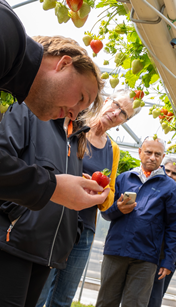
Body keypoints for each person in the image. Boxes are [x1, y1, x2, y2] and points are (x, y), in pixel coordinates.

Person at [36, 89, 141, 307]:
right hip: (55, 217)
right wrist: (77, 179)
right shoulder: (75, 125)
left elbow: (108, 198)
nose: (116, 113)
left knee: (64, 297)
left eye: (123, 114)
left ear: (124, 121)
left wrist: (98, 193)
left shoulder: (113, 149)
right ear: (108, 100)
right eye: (116, 105)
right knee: (41, 288)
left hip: (84, 227)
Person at [0, 2, 108, 211]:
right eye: (81, 98)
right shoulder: (6, 32)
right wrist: (54, 188)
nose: (73, 113)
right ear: (64, 64)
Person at [0, 102, 90, 307]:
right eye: (82, 95)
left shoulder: (77, 136)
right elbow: (4, 161)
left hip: (48, 251)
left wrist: (72, 230)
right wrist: (17, 215)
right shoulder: (29, 111)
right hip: (16, 241)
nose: (83, 105)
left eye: (89, 101)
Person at [95, 137, 176, 307]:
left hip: (146, 257)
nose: (152, 157)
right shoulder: (123, 178)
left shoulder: (169, 187)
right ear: (140, 152)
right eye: (148, 152)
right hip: (116, 251)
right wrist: (117, 209)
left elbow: (174, 227)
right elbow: (105, 212)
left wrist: (168, 260)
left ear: (163, 157)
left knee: (135, 304)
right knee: (106, 302)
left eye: (157, 154)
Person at [148, 156, 176, 307]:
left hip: (160, 253)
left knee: (154, 296)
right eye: (168, 171)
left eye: (174, 173)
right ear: (161, 169)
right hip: (141, 248)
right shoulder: (150, 187)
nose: (170, 175)